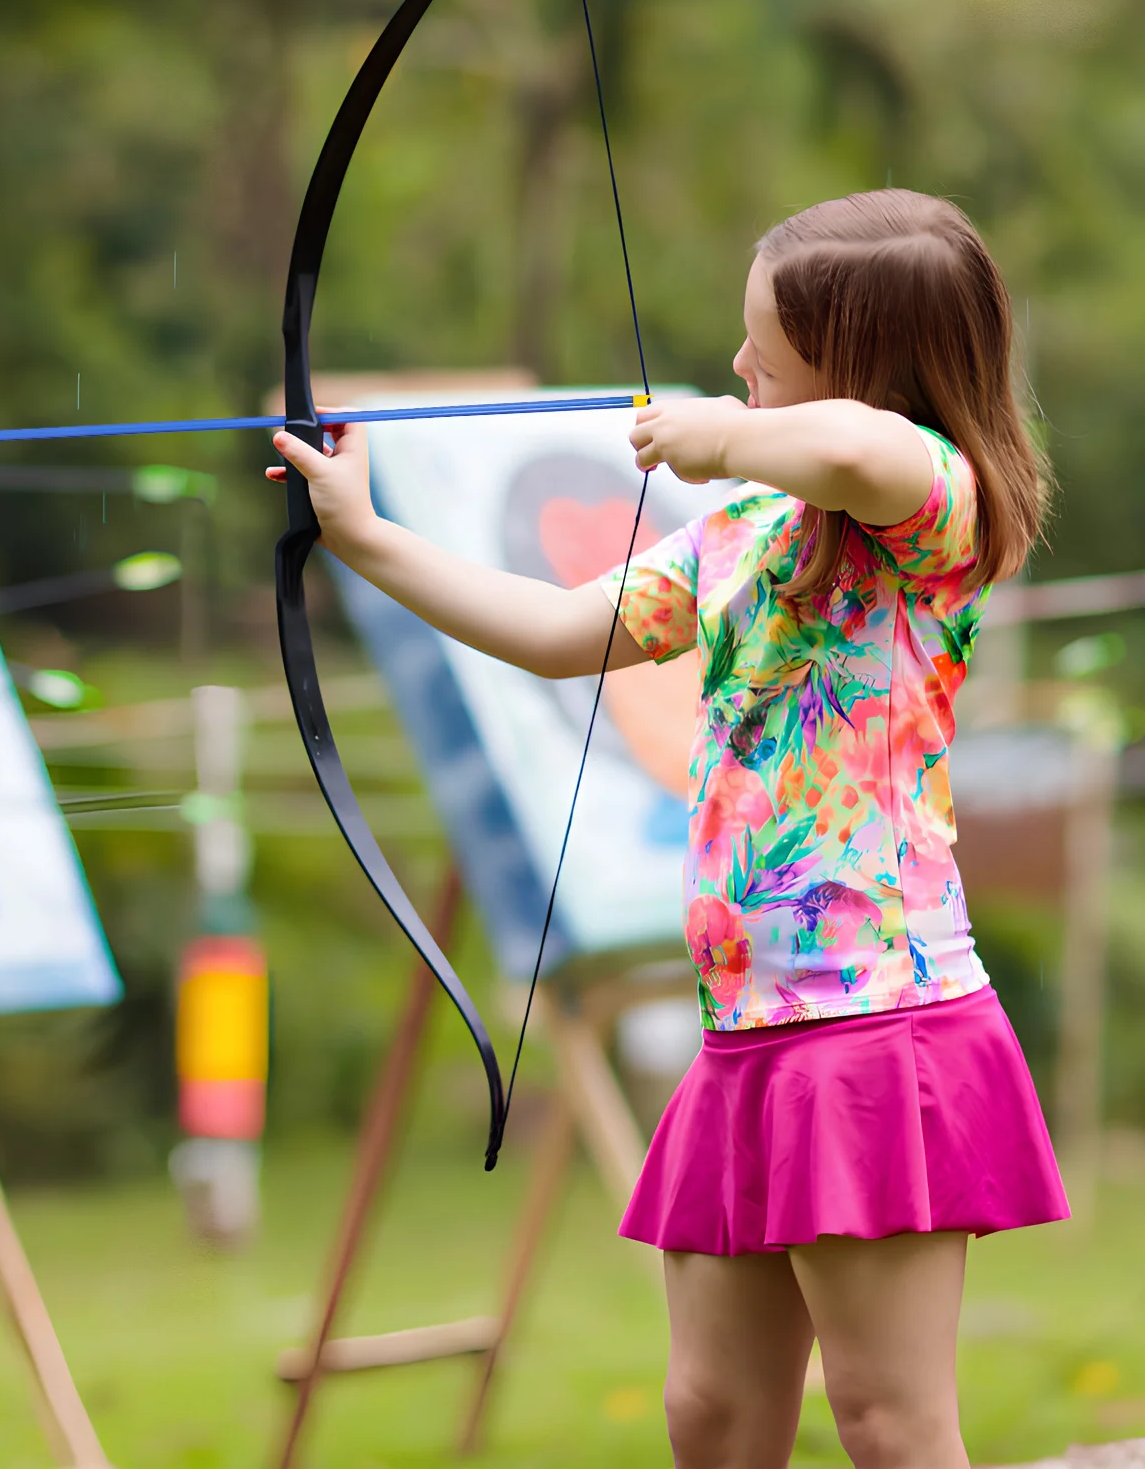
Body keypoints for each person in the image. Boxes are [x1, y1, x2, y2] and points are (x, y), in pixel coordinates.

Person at [267, 189, 1068, 1469]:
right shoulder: (744, 532)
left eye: (766, 349)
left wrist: (724, 435)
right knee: (711, 1413)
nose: (739, 365)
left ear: (860, 365)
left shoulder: (939, 509)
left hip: (873, 1032)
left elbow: (867, 454)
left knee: (888, 1420)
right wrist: (363, 536)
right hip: (748, 1039)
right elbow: (550, 631)